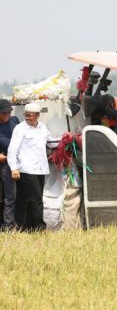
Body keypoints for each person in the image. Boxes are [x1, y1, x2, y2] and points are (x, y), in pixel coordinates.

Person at [7, 102, 56, 231]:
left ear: (38, 115)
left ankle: (27, 227)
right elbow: (13, 149)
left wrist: (67, 139)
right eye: (26, 115)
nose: (27, 117)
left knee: (29, 199)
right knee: (36, 199)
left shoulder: (43, 128)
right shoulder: (20, 128)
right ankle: (40, 227)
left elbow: (51, 142)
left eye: (30, 115)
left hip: (41, 170)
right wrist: (14, 168)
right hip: (26, 169)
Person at [0, 99, 19, 231]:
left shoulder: (15, 120)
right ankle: (8, 225)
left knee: (14, 194)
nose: (6, 114)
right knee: (9, 195)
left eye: (8, 112)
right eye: (3, 112)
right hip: (4, 163)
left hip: (16, 162)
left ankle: (14, 223)